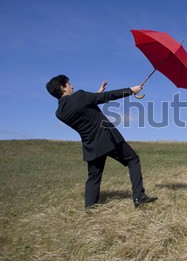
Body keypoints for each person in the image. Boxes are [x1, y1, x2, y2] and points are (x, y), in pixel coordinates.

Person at [46, 75, 157, 209]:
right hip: (108, 139)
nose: (72, 86)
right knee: (133, 160)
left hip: (91, 146)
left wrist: (98, 93)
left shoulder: (60, 112)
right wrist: (131, 90)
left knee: (93, 177)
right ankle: (139, 197)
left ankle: (90, 209)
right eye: (69, 84)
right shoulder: (80, 96)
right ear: (63, 88)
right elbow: (107, 97)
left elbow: (85, 107)